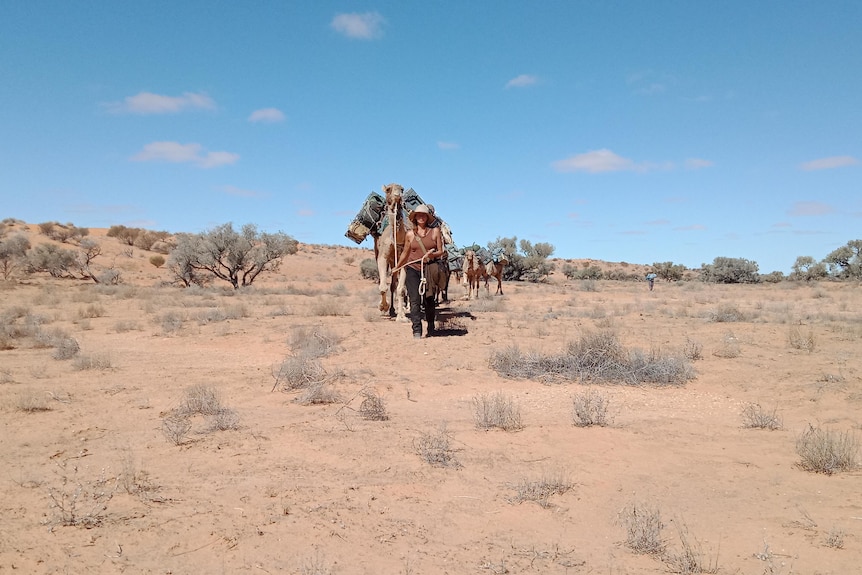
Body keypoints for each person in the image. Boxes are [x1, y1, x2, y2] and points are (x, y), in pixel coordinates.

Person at [395, 204, 445, 338]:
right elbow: (405, 253)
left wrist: (431, 255)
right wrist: (398, 266)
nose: (421, 217)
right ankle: (416, 330)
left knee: (429, 299)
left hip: (429, 268)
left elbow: (441, 251)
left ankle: (430, 326)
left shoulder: (435, 231)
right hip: (413, 269)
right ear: (415, 218)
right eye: (419, 215)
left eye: (424, 215)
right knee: (414, 300)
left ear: (427, 218)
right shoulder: (410, 234)